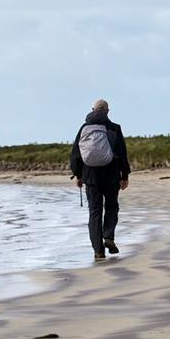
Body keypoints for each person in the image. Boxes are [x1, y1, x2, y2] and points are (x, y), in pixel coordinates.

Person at [70, 99, 130, 261]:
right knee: (111, 207)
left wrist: (78, 175)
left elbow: (76, 154)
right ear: (108, 111)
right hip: (111, 176)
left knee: (94, 213)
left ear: (92, 110)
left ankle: (98, 251)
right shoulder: (114, 128)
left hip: (91, 177)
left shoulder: (84, 128)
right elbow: (122, 153)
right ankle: (109, 236)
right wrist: (125, 176)